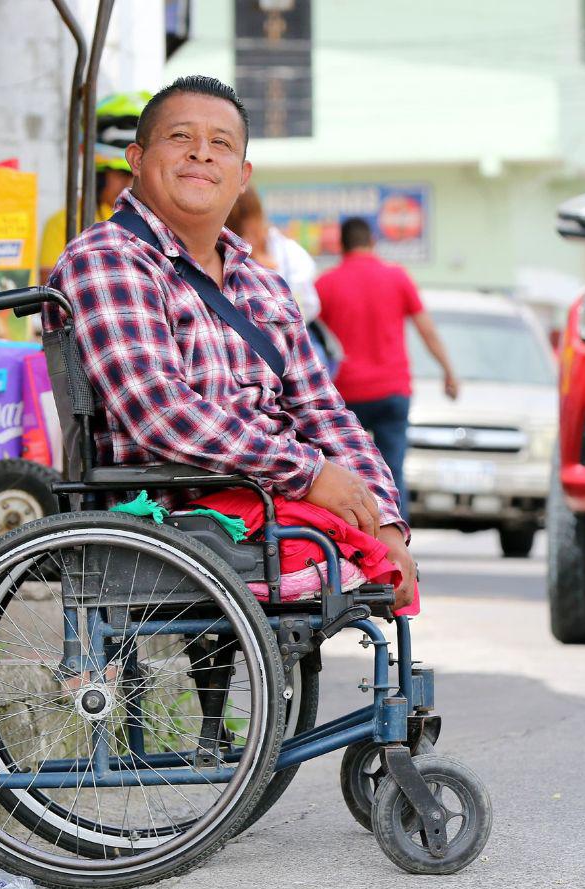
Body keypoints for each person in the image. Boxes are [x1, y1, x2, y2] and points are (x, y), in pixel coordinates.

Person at [45, 75, 417, 611]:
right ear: (136, 157)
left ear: (242, 176)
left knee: (380, 563)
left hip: (271, 503)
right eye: (180, 137)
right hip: (170, 512)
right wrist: (309, 474)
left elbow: (324, 412)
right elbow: (159, 411)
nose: (201, 153)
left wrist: (382, 518)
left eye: (221, 143)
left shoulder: (263, 284)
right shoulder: (107, 258)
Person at [315, 216, 459, 522]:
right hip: (392, 391)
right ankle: (398, 542)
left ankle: (353, 540)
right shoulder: (397, 277)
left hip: (346, 395)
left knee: (343, 471)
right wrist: (448, 371)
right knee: (393, 470)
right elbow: (427, 330)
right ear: (373, 242)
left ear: (341, 246)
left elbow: (310, 341)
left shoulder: (325, 284)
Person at [225, 189, 344, 376]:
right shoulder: (224, 256)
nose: (248, 235)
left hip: (288, 347)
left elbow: (308, 306)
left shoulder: (286, 253)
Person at [38, 91, 151, 283]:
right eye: (121, 174)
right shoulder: (64, 223)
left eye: (136, 177)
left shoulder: (161, 224)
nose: (128, 185)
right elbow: (51, 293)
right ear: (98, 175)